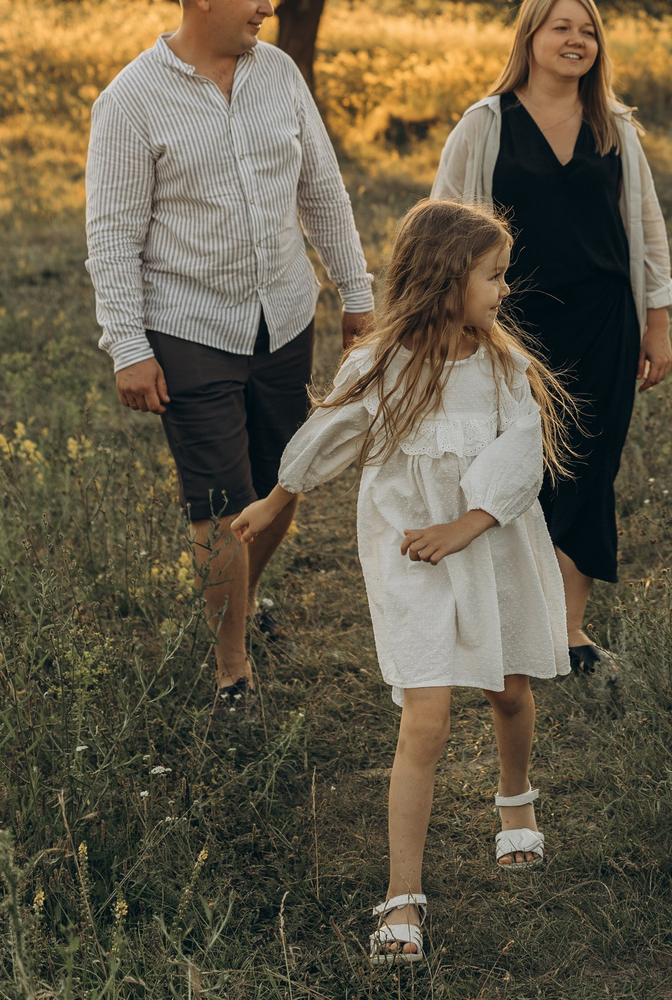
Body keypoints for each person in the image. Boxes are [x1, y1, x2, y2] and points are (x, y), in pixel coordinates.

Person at [232, 198, 573, 966]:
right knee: (425, 717)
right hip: (409, 556)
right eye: (493, 275)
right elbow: (327, 435)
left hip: (489, 547)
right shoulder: (380, 363)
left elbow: (522, 456)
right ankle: (403, 893)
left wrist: (467, 523)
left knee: (508, 689)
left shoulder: (502, 368)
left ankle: (514, 794)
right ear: (446, 278)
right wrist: (276, 495)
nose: (503, 291)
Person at [84, 0, 375, 723]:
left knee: (286, 483)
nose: (267, 8)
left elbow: (323, 188)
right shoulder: (131, 100)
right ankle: (232, 674)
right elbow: (110, 236)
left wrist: (357, 289)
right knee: (218, 503)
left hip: (283, 315)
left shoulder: (279, 74)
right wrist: (129, 346)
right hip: (187, 329)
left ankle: (240, 597)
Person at [430, 0, 672, 671]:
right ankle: (504, 619)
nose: (576, 41)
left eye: (588, 31)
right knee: (514, 466)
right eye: (561, 27)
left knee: (590, 471)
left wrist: (656, 322)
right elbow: (444, 227)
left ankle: (570, 632)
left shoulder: (615, 126)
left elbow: (648, 231)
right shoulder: (485, 123)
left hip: (605, 324)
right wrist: (449, 324)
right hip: (510, 329)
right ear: (530, 37)